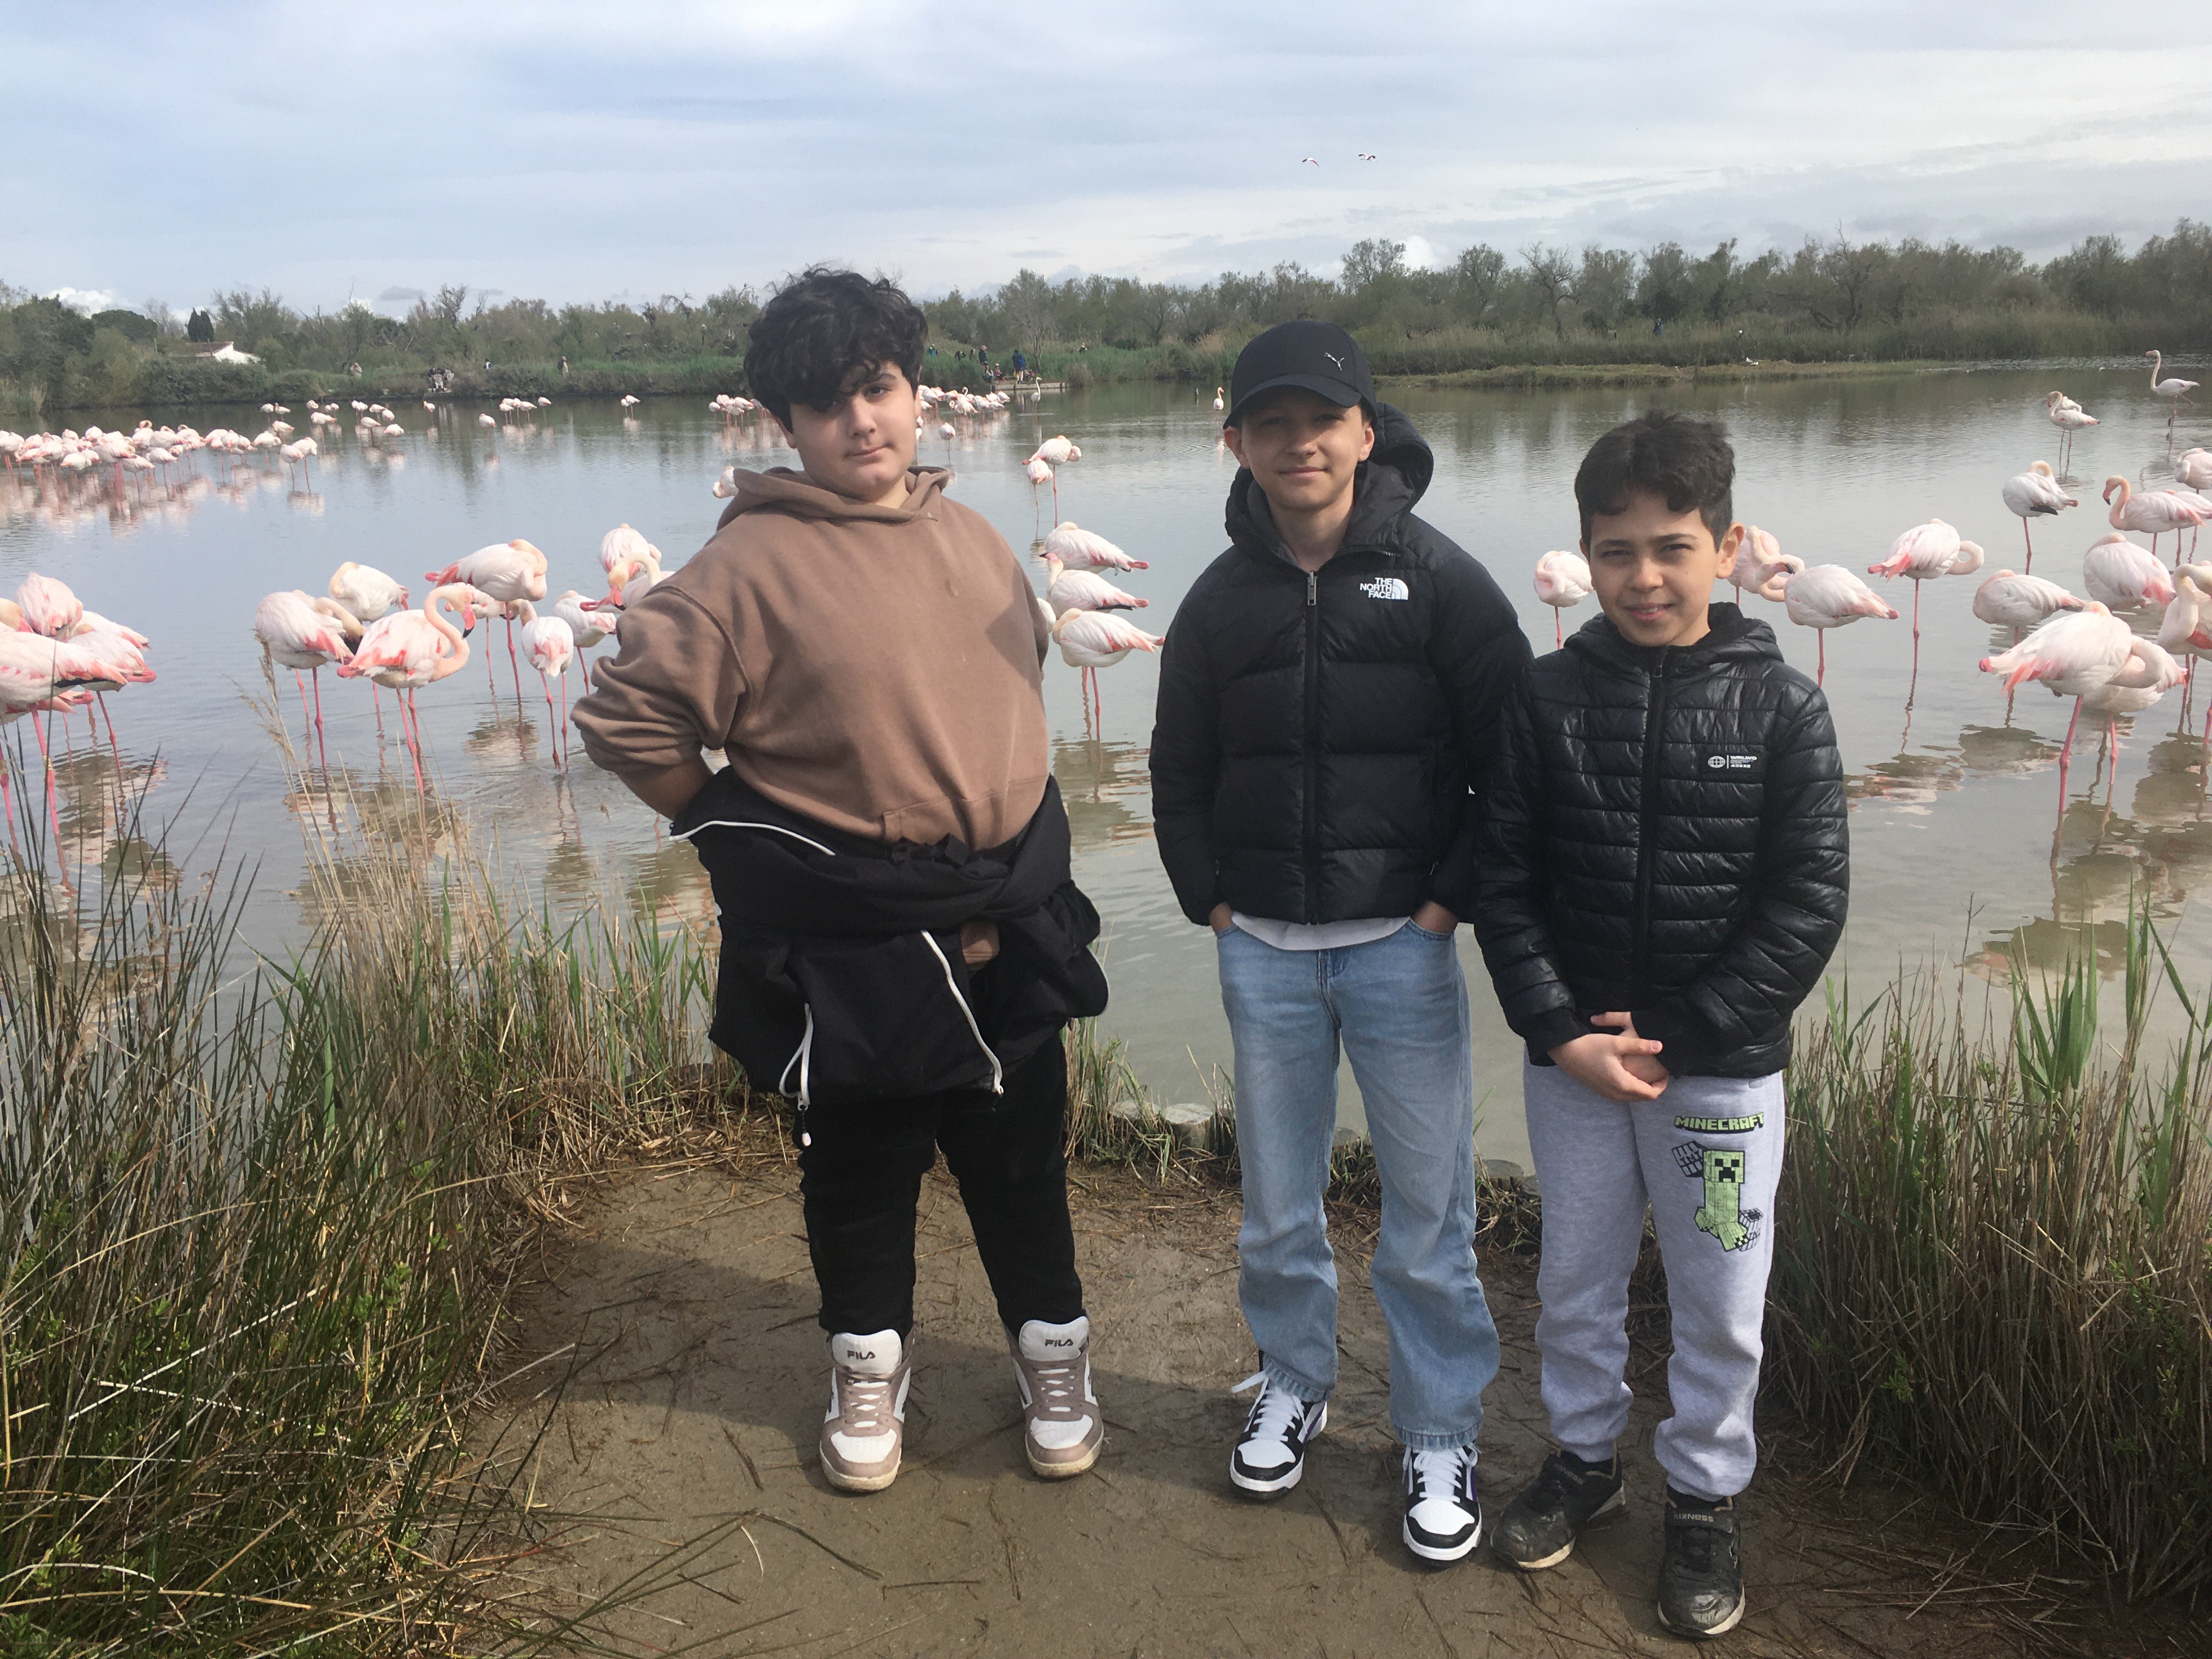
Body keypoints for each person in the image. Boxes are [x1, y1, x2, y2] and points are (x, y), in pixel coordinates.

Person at [573, 267, 1110, 1496]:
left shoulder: (974, 536)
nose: (860, 422)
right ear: (787, 423)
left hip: (1008, 920)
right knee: (859, 1175)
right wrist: (730, 830)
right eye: (825, 404)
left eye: (878, 389)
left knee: (1021, 1160)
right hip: (857, 947)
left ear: (916, 393)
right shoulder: (746, 568)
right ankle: (869, 1369)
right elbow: (628, 721)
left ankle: (1054, 1356)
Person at [1149, 320, 1531, 1565]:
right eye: (1270, 423)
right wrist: (1210, 899)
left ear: (1367, 431)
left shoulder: (1442, 581)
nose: (1298, 443)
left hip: (1401, 948)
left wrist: (1444, 905)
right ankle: (1293, 1382)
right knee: (1276, 1206)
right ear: (1237, 443)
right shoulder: (1218, 600)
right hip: (1260, 947)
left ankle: (1438, 1430)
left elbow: (1512, 764)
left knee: (1428, 1213)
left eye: (1321, 420)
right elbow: (1177, 768)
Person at [1470, 410, 1847, 1637]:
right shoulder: (1542, 700)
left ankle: (1705, 1491)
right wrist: (1558, 1029)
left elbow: (1808, 903)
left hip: (1721, 1074)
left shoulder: (1784, 708)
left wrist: (1685, 1030)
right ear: (1585, 555)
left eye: (1672, 547)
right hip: (1574, 1067)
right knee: (1573, 1281)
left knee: (1720, 1300)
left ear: (1727, 550)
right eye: (1615, 550)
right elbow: (1504, 885)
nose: (1643, 576)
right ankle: (1585, 1459)